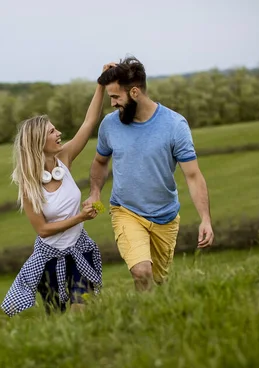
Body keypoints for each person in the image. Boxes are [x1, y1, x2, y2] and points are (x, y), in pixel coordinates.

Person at [83, 56, 214, 292]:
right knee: (141, 271)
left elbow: (193, 175)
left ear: (134, 92)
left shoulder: (175, 125)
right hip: (126, 211)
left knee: (159, 281)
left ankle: (153, 317)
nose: (112, 104)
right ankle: (142, 321)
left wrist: (205, 218)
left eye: (115, 97)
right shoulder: (110, 125)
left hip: (165, 216)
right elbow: (100, 161)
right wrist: (95, 193)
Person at [1, 63, 115, 317]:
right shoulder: (29, 184)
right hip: (50, 260)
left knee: (82, 310)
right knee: (58, 318)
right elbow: (43, 229)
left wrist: (101, 84)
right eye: (53, 131)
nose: (59, 133)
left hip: (79, 249)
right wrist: (79, 218)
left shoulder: (65, 158)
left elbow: (89, 122)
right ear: (39, 141)